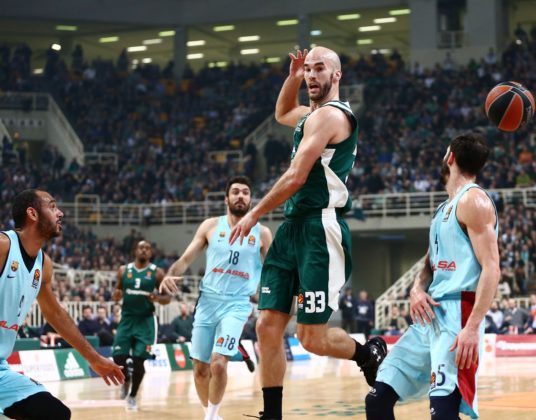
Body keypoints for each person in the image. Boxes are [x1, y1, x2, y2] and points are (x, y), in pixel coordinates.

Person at [229, 47, 386, 420]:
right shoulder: (310, 116)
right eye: (309, 70)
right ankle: (272, 414)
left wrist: (255, 214)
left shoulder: (331, 116)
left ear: (337, 75)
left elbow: (297, 176)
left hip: (319, 228)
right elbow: (282, 112)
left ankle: (367, 353)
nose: (312, 75)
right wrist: (292, 76)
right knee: (267, 326)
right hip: (291, 229)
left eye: (320, 69)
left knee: (311, 338)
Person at [366, 133, 501, 420]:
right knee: (377, 399)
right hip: (429, 316)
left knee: (442, 412)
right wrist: (417, 289)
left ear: (450, 157)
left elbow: (492, 268)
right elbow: (429, 264)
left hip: (458, 314)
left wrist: (472, 327)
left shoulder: (474, 200)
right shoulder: (443, 209)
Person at [0, 189, 124, 419]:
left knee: (55, 414)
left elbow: (55, 314)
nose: (61, 213)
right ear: (32, 214)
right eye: (52, 206)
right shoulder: (3, 246)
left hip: (1, 371)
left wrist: (94, 358)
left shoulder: (43, 264)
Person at [159, 176, 272, 420]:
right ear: (226, 199)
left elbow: (274, 270)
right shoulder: (210, 226)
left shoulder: (262, 233)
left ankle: (211, 418)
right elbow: (185, 260)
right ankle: (210, 415)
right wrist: (169, 275)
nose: (240, 196)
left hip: (237, 304)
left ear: (251, 200)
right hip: (207, 302)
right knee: (200, 368)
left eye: (245, 192)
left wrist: (274, 300)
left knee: (218, 363)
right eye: (235, 192)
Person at [111, 240, 170, 411]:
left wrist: (157, 298)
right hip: (127, 319)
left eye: (147, 248)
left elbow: (167, 298)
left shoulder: (157, 273)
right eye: (141, 248)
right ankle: (126, 380)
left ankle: (132, 396)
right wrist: (116, 295)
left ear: (150, 253)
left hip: (145, 322)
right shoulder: (124, 270)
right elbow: (117, 292)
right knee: (118, 357)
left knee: (139, 361)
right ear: (135, 251)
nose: (144, 250)